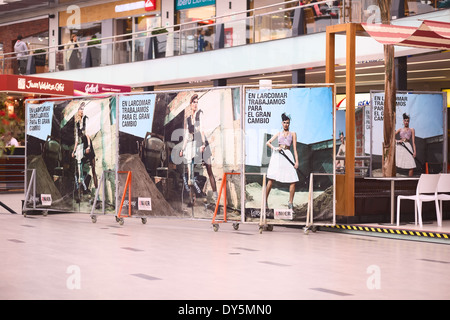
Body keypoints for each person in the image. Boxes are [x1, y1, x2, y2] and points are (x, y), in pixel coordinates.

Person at [179, 94, 217, 207]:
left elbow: (202, 129)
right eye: (194, 102)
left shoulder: (200, 113)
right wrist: (182, 149)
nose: (196, 104)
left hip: (202, 144)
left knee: (209, 170)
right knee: (189, 173)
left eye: (197, 102)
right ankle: (192, 200)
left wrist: (204, 144)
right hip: (193, 146)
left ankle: (215, 199)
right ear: (190, 104)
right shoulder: (188, 119)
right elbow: (187, 136)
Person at [265, 113, 299, 209]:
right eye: (284, 123)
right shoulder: (278, 134)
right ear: (282, 123)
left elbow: (295, 149)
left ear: (289, 124)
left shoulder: (293, 134)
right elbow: (268, 142)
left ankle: (290, 202)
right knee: (271, 178)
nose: (286, 124)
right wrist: (274, 148)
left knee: (293, 179)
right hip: (277, 155)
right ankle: (265, 201)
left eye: (288, 123)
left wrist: (296, 161)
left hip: (288, 154)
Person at [72, 102, 98, 200]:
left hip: (87, 145)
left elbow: (88, 135)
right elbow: (76, 139)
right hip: (80, 147)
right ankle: (81, 192)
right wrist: (73, 151)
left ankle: (96, 193)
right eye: (80, 109)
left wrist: (89, 147)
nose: (81, 111)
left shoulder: (87, 120)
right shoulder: (77, 124)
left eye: (82, 109)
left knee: (93, 168)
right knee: (79, 170)